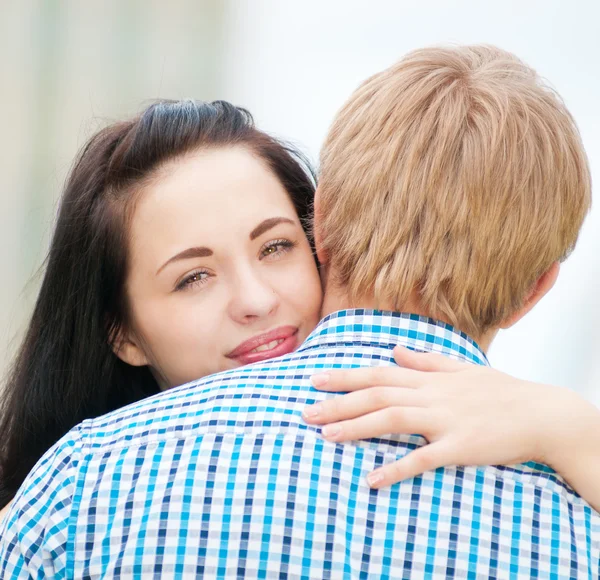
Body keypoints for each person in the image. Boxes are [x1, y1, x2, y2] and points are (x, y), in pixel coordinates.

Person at [1, 44, 599, 576]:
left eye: (276, 246)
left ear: (322, 222)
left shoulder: (84, 485)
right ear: (535, 289)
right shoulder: (578, 524)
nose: (256, 301)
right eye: (193, 277)